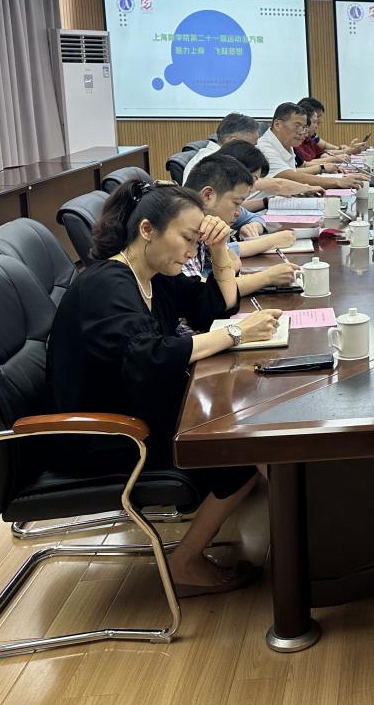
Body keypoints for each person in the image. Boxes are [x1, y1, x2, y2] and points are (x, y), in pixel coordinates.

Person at [47, 181, 282, 595]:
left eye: (197, 241)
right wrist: (236, 334)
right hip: (104, 434)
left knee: (244, 427)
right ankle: (186, 562)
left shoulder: (155, 275)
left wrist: (219, 249)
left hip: (135, 410)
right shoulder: (107, 284)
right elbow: (150, 356)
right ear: (147, 230)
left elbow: (215, 308)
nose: (192, 252)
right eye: (188, 239)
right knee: (240, 453)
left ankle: (303, 536)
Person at [183, 155, 299, 291]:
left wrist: (221, 249)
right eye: (236, 203)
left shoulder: (207, 224)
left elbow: (234, 263)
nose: (238, 213)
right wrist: (266, 278)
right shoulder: (180, 228)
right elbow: (199, 292)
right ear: (208, 195)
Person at [183, 111, 315, 198]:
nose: (255, 149)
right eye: (252, 145)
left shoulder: (225, 157)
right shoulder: (211, 162)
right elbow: (275, 184)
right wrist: (306, 188)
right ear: (233, 141)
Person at [256, 102, 366, 190]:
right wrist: (337, 181)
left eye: (304, 127)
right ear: (277, 125)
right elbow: (290, 176)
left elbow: (295, 173)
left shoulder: (286, 143)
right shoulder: (264, 148)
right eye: (297, 125)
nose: (302, 132)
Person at [296, 96, 366, 162]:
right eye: (318, 117)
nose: (320, 120)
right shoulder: (297, 141)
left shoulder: (309, 138)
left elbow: (323, 149)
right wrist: (347, 152)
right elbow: (304, 164)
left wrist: (342, 149)